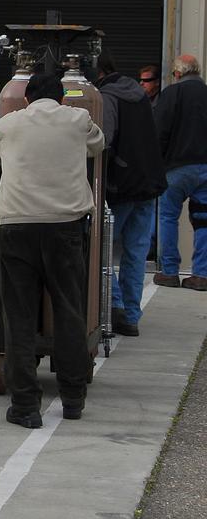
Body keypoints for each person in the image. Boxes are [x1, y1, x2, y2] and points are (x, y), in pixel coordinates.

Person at [0, 72, 105, 428]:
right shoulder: (79, 119)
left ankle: (24, 407)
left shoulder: (7, 123)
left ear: (26, 99)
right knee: (69, 311)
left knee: (19, 317)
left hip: (16, 227)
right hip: (65, 228)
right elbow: (98, 146)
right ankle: (72, 397)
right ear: (64, 98)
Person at [95, 51, 166, 336]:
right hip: (148, 182)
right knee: (136, 253)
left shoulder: (108, 96)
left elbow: (104, 139)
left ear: (97, 73)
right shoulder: (138, 93)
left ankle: (117, 307)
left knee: (102, 249)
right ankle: (132, 316)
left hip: (122, 185)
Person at [153, 53, 207, 290]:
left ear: (177, 73)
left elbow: (159, 132)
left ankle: (169, 272)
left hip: (176, 168)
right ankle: (202, 275)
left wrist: (157, 164)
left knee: (167, 217)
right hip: (206, 168)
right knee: (204, 221)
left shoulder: (171, 94)